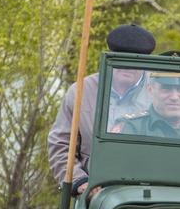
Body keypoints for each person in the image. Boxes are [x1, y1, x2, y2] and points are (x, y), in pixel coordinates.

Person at [47, 23, 156, 194]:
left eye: (135, 60)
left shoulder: (160, 93)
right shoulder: (81, 92)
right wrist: (81, 182)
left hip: (147, 192)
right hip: (93, 192)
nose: (127, 66)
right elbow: (61, 145)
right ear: (109, 57)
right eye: (120, 59)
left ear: (147, 63)